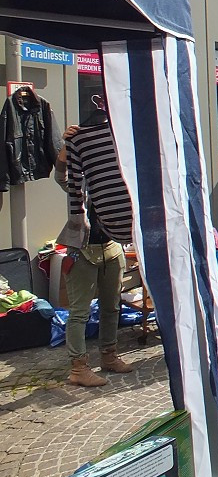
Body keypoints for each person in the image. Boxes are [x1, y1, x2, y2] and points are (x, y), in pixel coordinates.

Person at [54, 124, 133, 387]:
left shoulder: (117, 177)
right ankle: (78, 368)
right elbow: (60, 175)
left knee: (112, 306)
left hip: (111, 247)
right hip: (82, 249)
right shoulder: (78, 184)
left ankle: (109, 355)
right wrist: (69, 147)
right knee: (80, 312)